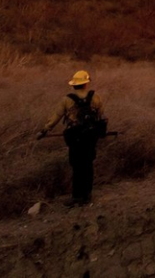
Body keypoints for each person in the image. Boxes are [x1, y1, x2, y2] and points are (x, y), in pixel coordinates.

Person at [37, 70, 107, 207]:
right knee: (88, 165)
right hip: (90, 137)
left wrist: (44, 130)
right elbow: (101, 116)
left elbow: (55, 118)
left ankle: (77, 197)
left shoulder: (67, 100)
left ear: (74, 85)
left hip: (75, 137)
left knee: (77, 166)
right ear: (86, 84)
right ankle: (87, 195)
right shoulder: (96, 97)